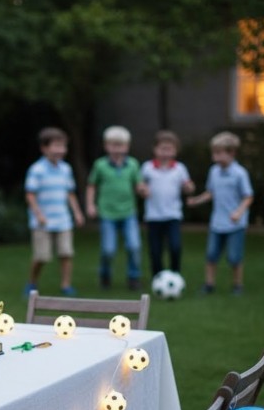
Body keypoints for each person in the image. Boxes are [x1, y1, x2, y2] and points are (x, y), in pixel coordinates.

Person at [186, 131, 254, 295]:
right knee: (211, 255)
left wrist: (239, 212)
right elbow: (211, 192)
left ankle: (237, 285)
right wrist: (196, 200)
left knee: (234, 257)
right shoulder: (214, 171)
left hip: (235, 224)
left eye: (218, 153)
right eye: (213, 152)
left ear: (231, 153)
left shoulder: (239, 173)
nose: (214, 157)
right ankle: (209, 284)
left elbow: (248, 196)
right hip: (217, 223)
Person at [24, 126, 85, 296]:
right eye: (56, 146)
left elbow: (70, 194)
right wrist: (38, 214)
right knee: (41, 256)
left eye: (63, 146)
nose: (61, 150)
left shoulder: (66, 169)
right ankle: (32, 283)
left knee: (66, 253)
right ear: (44, 148)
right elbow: (30, 195)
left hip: (63, 219)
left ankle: (66, 285)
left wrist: (77, 213)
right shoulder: (37, 170)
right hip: (42, 222)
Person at [86, 125, 143, 290]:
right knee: (108, 249)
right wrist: (91, 205)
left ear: (127, 146)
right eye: (113, 145)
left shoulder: (132, 164)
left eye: (121, 145)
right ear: (106, 146)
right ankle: (105, 275)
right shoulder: (100, 165)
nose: (117, 149)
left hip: (128, 212)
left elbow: (138, 183)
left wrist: (142, 189)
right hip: (107, 213)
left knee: (134, 246)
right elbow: (91, 185)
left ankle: (134, 277)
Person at [139, 130, 195, 279]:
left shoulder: (180, 169)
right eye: (162, 148)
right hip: (153, 216)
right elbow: (140, 186)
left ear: (175, 151)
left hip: (173, 215)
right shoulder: (147, 167)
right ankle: (157, 277)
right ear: (155, 149)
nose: (165, 152)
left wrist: (189, 188)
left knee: (175, 247)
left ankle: (175, 275)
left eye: (169, 149)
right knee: (155, 250)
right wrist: (143, 190)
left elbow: (188, 185)